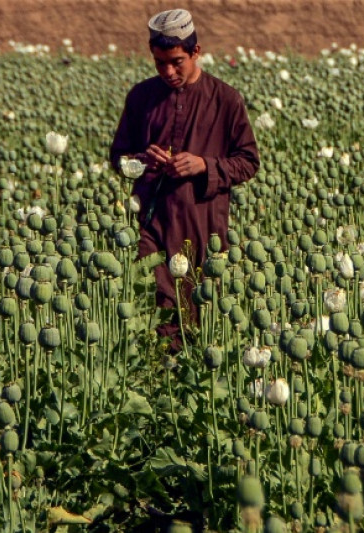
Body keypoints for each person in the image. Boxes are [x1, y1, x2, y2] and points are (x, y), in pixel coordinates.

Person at [110, 8, 260, 353]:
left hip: (203, 222)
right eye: (160, 62)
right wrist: (141, 161)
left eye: (176, 61)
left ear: (196, 51)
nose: (168, 71)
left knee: (199, 311)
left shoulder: (225, 100)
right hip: (152, 220)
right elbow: (119, 156)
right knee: (156, 309)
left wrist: (203, 165)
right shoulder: (141, 98)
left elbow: (248, 162)